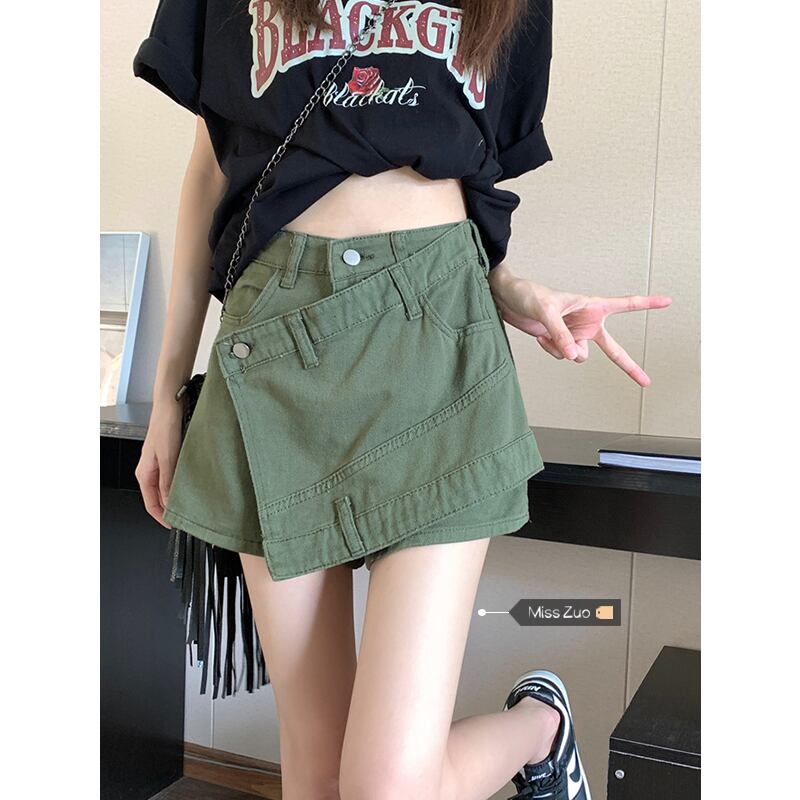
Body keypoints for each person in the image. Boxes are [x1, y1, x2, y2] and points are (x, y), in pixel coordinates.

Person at [131, 1, 670, 798]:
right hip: (272, 341)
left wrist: (513, 287)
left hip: (435, 340)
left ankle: (540, 729)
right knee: (317, 775)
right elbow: (214, 165)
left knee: (387, 786)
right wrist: (168, 395)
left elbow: (463, 165)